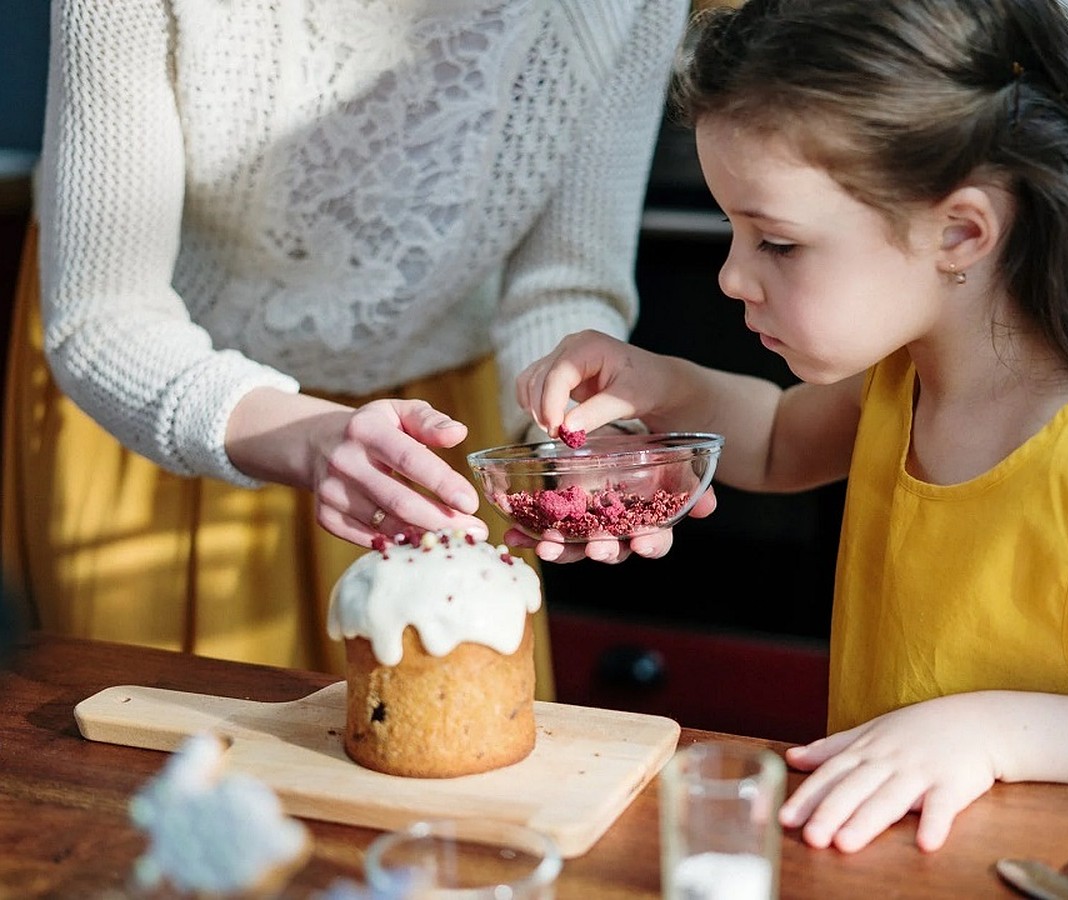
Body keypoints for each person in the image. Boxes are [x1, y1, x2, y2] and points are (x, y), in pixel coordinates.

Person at [512, 0, 1068, 852]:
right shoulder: (902, 379)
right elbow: (770, 440)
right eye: (734, 231)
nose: (732, 276)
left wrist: (995, 735)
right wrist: (656, 384)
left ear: (959, 230)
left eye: (779, 243)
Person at [0, 0, 690, 699]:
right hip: (173, 418)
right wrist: (302, 435)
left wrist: (579, 435)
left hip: (432, 442)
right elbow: (103, 315)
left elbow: (563, 282)